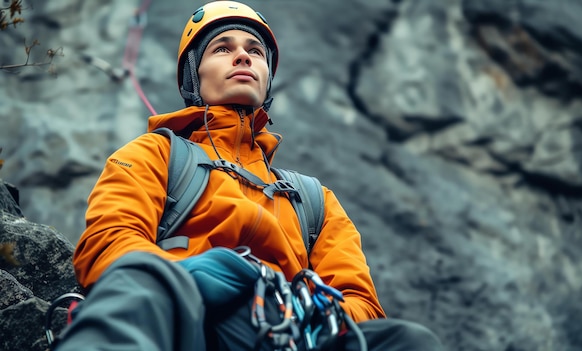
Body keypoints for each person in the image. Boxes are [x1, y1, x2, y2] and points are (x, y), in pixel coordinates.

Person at [54, 1, 443, 350]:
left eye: (255, 51)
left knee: (409, 341)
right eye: (223, 48)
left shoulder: (312, 200)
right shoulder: (155, 154)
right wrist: (183, 276)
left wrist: (298, 309)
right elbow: (108, 243)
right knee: (142, 280)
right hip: (190, 321)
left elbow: (361, 303)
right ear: (195, 75)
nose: (243, 56)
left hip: (290, 335)